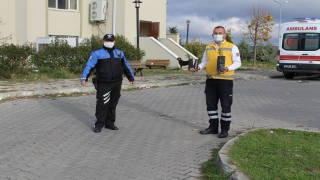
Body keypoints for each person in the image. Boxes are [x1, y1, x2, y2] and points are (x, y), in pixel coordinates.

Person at [190, 26, 241, 138]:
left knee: (225, 106)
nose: (218, 34)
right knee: (211, 105)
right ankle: (213, 127)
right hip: (211, 81)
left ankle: (224, 129)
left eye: (220, 33)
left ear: (225, 35)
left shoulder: (232, 47)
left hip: (225, 81)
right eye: (215, 33)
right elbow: (204, 62)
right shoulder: (208, 47)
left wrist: (227, 68)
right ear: (212, 35)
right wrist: (197, 68)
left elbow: (238, 63)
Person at [80, 34, 135, 133]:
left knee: (113, 103)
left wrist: (131, 77)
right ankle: (99, 124)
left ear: (114, 42)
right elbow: (89, 65)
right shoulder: (97, 53)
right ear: (103, 41)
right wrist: (84, 78)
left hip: (117, 82)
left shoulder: (119, 53)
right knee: (102, 103)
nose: (109, 42)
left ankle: (110, 123)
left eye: (111, 41)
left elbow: (126, 66)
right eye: (107, 40)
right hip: (103, 83)